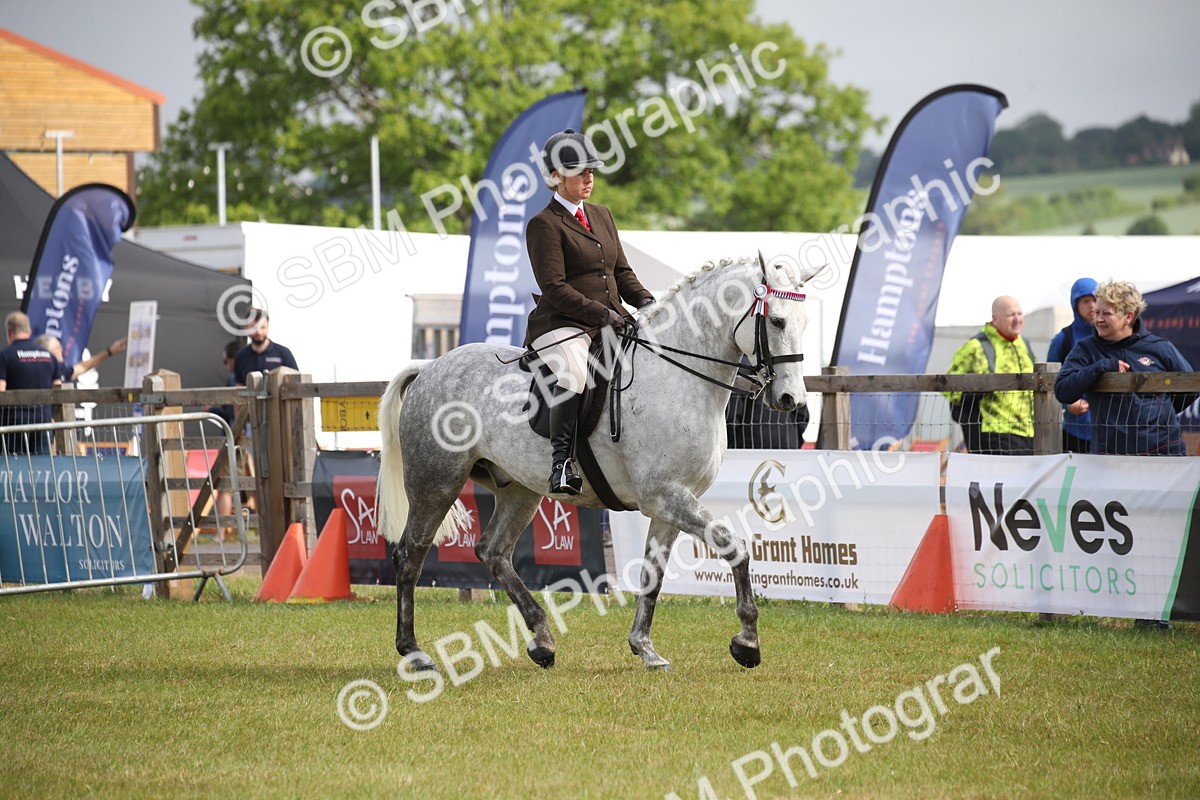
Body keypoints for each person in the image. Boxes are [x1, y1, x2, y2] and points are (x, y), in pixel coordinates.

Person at [525, 128, 654, 495]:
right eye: (579, 171)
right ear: (555, 176)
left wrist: (647, 302)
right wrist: (601, 314)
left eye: (591, 170)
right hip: (562, 323)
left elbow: (622, 272)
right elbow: (555, 288)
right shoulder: (544, 224)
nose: (588, 178)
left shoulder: (602, 215)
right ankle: (562, 464)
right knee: (574, 373)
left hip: (610, 319)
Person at [1056, 279, 1196, 456]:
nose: (1098, 319)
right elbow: (1062, 391)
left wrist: (1159, 411)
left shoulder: (1160, 347)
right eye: (1097, 312)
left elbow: (1190, 388)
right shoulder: (1085, 349)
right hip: (1108, 455)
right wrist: (1100, 367)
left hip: (1163, 451)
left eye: (1106, 313)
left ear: (1128, 316)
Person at [944, 296, 1036, 455]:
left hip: (1029, 432)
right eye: (1011, 315)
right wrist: (977, 391)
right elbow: (947, 385)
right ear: (995, 319)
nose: (1017, 319)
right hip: (994, 433)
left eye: (1019, 314)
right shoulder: (976, 346)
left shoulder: (1023, 344)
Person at [1046, 278, 1098, 453]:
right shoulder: (1063, 339)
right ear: (1075, 304)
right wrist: (1066, 405)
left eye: (1095, 299)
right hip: (1075, 430)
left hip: (1108, 428)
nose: (1092, 305)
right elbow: (1049, 381)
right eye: (1086, 301)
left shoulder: (1112, 335)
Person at [0, 312, 61, 454]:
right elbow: (59, 390)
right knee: (42, 466)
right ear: (29, 331)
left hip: (13, 425)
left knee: (14, 466)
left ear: (9, 332)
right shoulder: (49, 356)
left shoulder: (5, 356)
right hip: (44, 422)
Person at [234, 309, 298, 386]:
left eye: (262, 327)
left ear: (268, 326)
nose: (258, 332)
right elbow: (239, 387)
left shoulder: (284, 354)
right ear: (246, 328)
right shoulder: (240, 357)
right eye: (254, 328)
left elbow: (297, 383)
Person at [36, 334, 127, 383]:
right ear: (49, 352)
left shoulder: (61, 370)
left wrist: (110, 351)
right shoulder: (39, 374)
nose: (62, 350)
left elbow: (83, 366)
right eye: (58, 347)